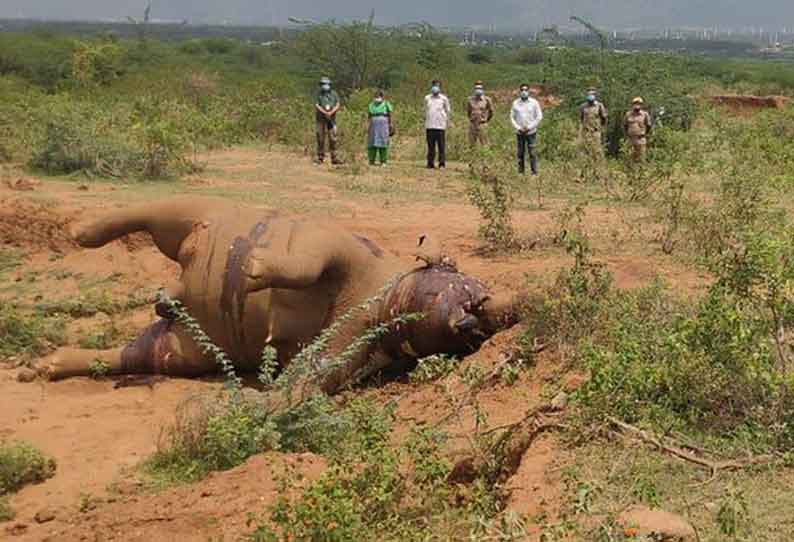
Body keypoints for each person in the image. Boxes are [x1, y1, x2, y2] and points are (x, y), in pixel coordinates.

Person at [511, 83, 543, 175]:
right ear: (519, 91)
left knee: (532, 153)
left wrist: (529, 127)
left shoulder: (534, 103)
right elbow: (512, 117)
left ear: (529, 91)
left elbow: (539, 116)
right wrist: (518, 128)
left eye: (526, 90)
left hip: (531, 132)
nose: (524, 92)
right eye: (522, 90)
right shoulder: (515, 103)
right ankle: (521, 172)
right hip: (519, 132)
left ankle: (534, 173)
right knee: (520, 152)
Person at [315, 76, 342, 165]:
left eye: (326, 84)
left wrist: (331, 112)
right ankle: (320, 157)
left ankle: (334, 157)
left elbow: (338, 104)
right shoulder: (318, 94)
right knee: (320, 137)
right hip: (320, 119)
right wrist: (324, 112)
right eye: (323, 84)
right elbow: (317, 105)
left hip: (331, 120)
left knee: (333, 138)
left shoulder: (334, 94)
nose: (324, 85)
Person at [424, 80, 451, 169]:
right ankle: (430, 163)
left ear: (440, 87)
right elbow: (425, 110)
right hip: (430, 125)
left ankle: (441, 163)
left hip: (440, 125)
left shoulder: (444, 98)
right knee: (430, 146)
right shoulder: (427, 98)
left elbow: (448, 111)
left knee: (441, 146)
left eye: (437, 85)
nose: (435, 87)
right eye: (434, 85)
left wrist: (447, 122)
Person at [366, 90, 394, 166]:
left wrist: (391, 124)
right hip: (373, 125)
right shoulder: (371, 105)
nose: (377, 98)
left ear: (382, 97)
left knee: (383, 142)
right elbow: (369, 116)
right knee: (372, 143)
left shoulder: (386, 104)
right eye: (376, 96)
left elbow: (390, 114)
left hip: (383, 125)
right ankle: (371, 161)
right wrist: (367, 126)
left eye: (379, 96)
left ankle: (383, 161)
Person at [623, 97, 652, 162]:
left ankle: (641, 171)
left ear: (641, 105)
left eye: (639, 103)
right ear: (632, 104)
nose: (637, 105)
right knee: (630, 158)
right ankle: (630, 171)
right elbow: (625, 126)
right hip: (631, 139)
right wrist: (627, 135)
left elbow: (649, 126)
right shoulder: (628, 114)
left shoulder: (645, 114)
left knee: (641, 158)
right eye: (635, 103)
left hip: (641, 139)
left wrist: (644, 134)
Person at [466, 80, 494, 147]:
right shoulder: (470, 99)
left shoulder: (487, 99)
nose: (478, 90)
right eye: (477, 88)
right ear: (474, 89)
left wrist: (486, 120)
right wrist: (472, 119)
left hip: (482, 124)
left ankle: (485, 157)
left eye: (480, 88)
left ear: (482, 89)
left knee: (484, 144)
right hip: (473, 124)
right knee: (472, 144)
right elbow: (468, 112)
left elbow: (491, 111)